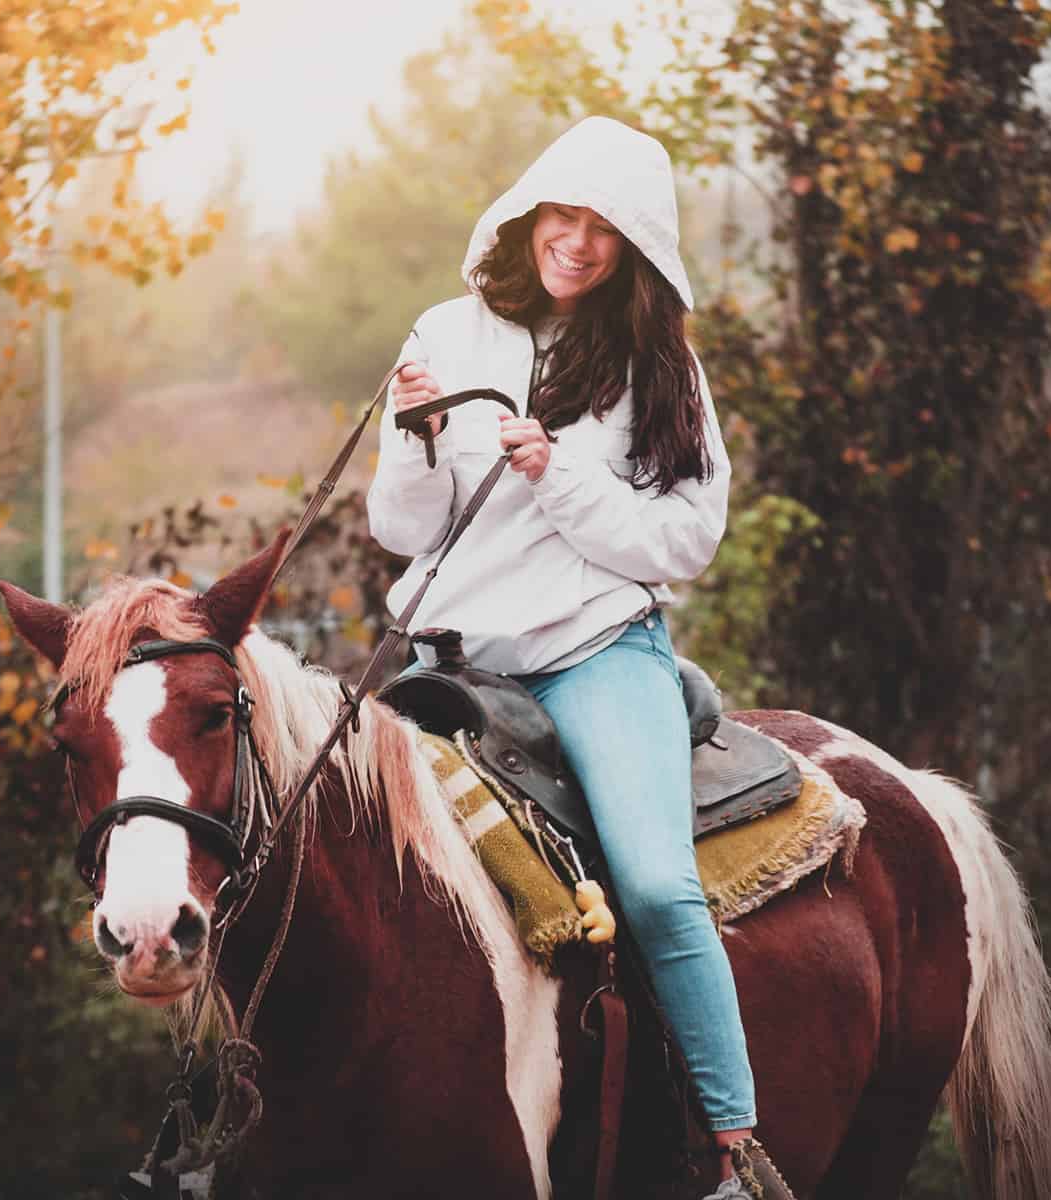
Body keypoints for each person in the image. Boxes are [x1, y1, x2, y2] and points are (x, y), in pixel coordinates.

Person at [366, 116, 792, 1200]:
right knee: (321, 847)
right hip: (450, 664)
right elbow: (400, 528)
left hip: (592, 652)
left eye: (605, 228)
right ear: (527, 217)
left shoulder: (660, 369)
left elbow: (685, 543)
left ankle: (737, 1152)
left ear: (635, 248)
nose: (577, 242)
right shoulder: (444, 333)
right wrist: (417, 439)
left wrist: (560, 474)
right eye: (563, 215)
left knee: (653, 887)